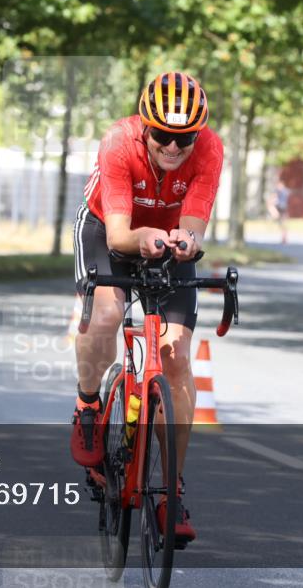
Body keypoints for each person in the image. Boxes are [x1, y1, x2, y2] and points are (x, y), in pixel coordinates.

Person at [71, 71, 224, 546]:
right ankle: (88, 405)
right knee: (108, 314)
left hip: (166, 238)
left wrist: (185, 242)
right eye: (162, 136)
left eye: (184, 138)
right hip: (109, 231)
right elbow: (119, 236)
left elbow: (194, 226)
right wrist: (146, 238)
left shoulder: (211, 150)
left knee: (176, 355)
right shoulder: (119, 142)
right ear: (144, 126)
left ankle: (169, 489)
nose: (173, 148)